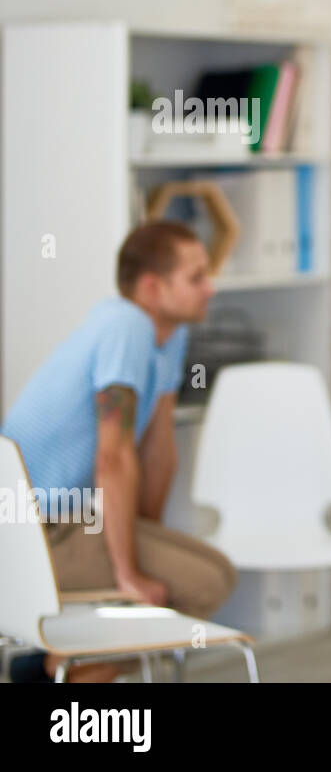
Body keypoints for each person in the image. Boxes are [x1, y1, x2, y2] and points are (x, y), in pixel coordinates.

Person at [2, 221, 236, 682]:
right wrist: (128, 573)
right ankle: (55, 673)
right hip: (27, 531)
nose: (211, 288)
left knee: (214, 571)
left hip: (70, 521)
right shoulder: (127, 325)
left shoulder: (170, 333)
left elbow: (156, 448)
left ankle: (47, 668)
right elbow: (113, 457)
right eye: (195, 277)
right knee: (203, 583)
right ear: (152, 287)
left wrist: (147, 538)